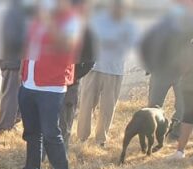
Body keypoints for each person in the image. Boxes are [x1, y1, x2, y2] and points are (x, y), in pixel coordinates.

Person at [19, 0, 83, 169]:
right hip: (28, 84)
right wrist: (22, 73)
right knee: (32, 132)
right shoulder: (36, 18)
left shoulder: (71, 20)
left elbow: (67, 47)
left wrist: (48, 22)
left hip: (51, 87)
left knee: (50, 133)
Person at [75, 0, 136, 147]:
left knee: (108, 107)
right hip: (93, 68)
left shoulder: (129, 25)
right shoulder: (97, 20)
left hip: (115, 70)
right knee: (86, 104)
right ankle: (82, 137)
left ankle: (101, 139)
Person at [141, 0, 192, 140]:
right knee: (153, 105)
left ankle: (174, 134)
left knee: (183, 107)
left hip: (182, 73)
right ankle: (153, 133)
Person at [58, 0, 96, 150]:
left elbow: (90, 61)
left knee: (64, 124)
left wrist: (73, 76)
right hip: (48, 83)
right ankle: (42, 155)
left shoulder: (86, 30)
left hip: (70, 85)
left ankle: (61, 157)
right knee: (46, 122)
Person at [0, 0, 33, 132]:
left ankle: (11, 122)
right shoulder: (12, 12)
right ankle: (5, 126)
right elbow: (12, 37)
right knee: (11, 94)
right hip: (13, 59)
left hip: (15, 59)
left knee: (15, 93)